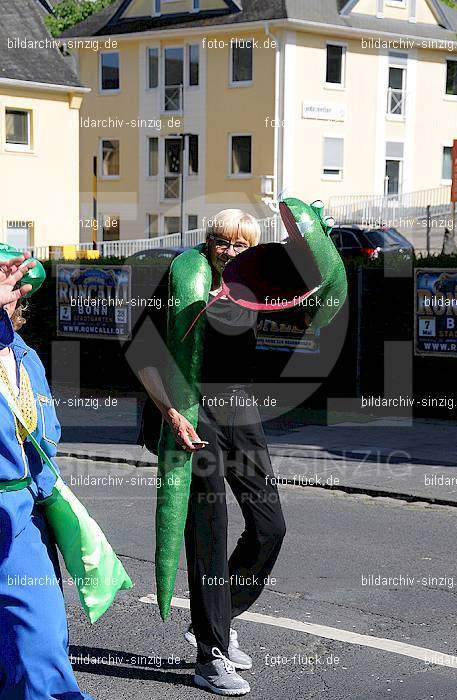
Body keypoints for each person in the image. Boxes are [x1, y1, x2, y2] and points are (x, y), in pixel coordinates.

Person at [137, 210, 286, 696]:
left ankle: (220, 615)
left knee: (269, 525)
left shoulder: (253, 284)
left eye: (240, 245)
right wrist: (172, 415)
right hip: (191, 407)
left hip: (238, 406)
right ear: (208, 241)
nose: (228, 251)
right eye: (221, 241)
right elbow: (144, 355)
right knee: (209, 529)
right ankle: (211, 653)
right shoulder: (183, 277)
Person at [0, 249, 93, 699]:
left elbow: (46, 436)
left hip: (19, 516)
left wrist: (49, 501)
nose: (9, 294)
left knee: (40, 641)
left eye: (15, 287)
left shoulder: (26, 358)